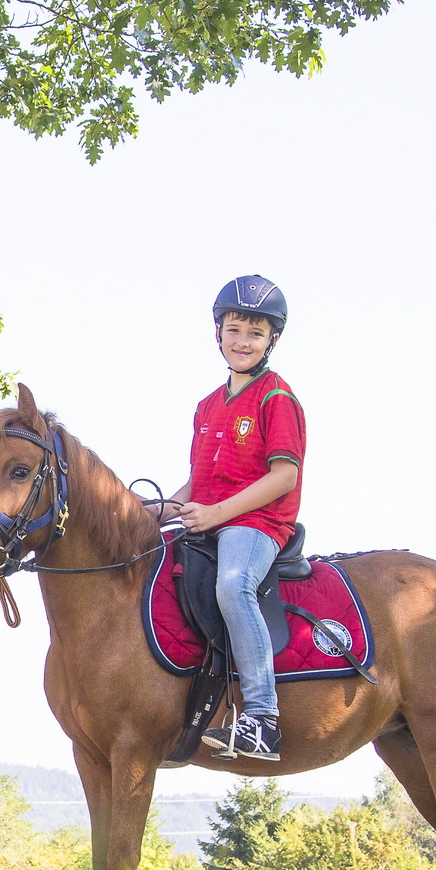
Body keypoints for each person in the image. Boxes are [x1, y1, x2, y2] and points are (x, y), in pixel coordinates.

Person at [157, 276, 305, 763]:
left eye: (255, 334)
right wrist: (160, 509)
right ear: (217, 332)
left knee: (233, 584)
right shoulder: (205, 406)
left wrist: (217, 514)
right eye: (234, 329)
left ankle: (262, 719)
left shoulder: (276, 397)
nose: (243, 341)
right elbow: (198, 483)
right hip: (206, 518)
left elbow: (284, 476)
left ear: (272, 341)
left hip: (257, 524)